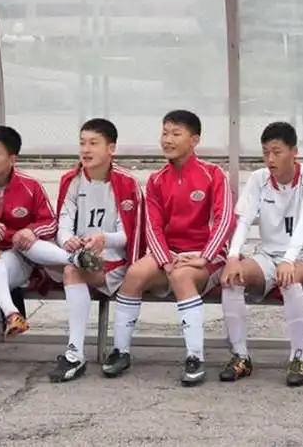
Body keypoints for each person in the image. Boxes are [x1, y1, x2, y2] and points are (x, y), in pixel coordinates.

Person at [100, 110, 235, 386]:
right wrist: (164, 260)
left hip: (204, 256)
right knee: (135, 273)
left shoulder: (213, 174)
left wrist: (204, 257)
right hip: (169, 254)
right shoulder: (156, 180)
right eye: (164, 133)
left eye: (176, 133)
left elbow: (225, 220)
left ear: (194, 140)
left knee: (182, 276)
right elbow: (153, 227)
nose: (167, 140)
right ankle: (120, 351)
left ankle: (195, 357)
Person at [0, 125, 79, 383]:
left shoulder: (30, 186)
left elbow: (49, 223)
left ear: (12, 159)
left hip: (14, 257)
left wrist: (30, 231)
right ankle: (11, 312)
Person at [219, 122, 303, 387]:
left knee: (289, 280)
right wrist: (233, 257)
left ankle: (297, 357)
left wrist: (289, 260)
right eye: (265, 152)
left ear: (294, 152)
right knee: (233, 278)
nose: (270, 159)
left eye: (277, 152)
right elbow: (244, 220)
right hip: (268, 254)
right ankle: (241, 356)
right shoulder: (259, 178)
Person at [47, 118, 145, 383]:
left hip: (113, 262)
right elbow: (63, 221)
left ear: (111, 149)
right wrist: (67, 239)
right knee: (60, 261)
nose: (85, 150)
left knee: (72, 270)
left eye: (93, 143)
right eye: (82, 143)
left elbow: (130, 236)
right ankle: (75, 353)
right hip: (78, 257)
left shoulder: (126, 183)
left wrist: (104, 239)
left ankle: (75, 353)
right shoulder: (72, 179)